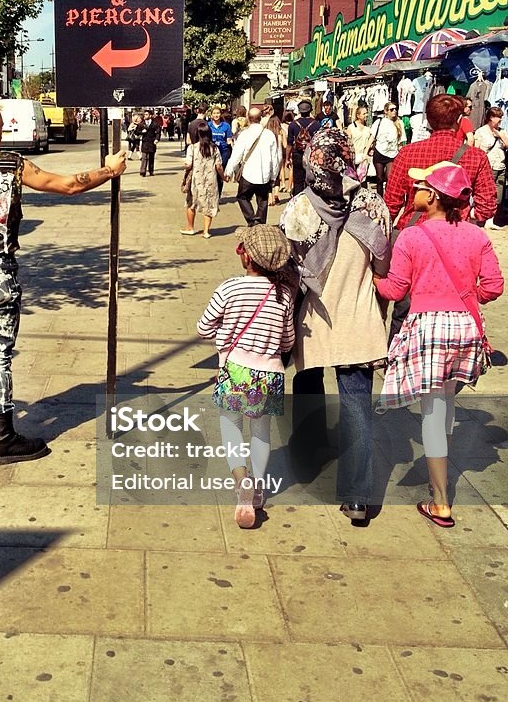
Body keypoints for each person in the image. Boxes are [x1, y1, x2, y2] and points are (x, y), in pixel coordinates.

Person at [0, 95, 127, 463]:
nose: (2, 134)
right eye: (1, 128)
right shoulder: (11, 165)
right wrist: (108, 170)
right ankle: (1, 436)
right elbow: (67, 184)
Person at [374, 162, 503, 528]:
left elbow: (396, 290)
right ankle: (440, 474)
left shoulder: (412, 237)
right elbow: (493, 287)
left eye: (419, 188)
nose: (412, 192)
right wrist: (463, 296)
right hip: (464, 326)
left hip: (430, 327)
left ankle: (441, 501)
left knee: (432, 413)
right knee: (444, 403)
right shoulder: (477, 236)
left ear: (432, 197)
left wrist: (373, 281)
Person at [280, 127, 391, 522]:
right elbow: (383, 268)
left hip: (314, 320)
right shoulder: (373, 206)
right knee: (357, 403)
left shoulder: (298, 210)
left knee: (307, 381)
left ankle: (308, 454)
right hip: (359, 320)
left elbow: (286, 270)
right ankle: (359, 497)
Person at [197, 225, 295, 529]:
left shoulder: (230, 288)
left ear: (246, 257)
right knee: (262, 432)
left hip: (235, 369)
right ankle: (258, 486)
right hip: (270, 372)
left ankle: (242, 482)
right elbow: (287, 340)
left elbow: (203, 328)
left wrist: (223, 336)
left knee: (230, 426)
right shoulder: (285, 294)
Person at [383, 94, 497, 341]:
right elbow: (488, 206)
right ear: (458, 120)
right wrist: (468, 218)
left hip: (411, 237)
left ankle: (398, 355)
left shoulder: (407, 154)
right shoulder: (475, 157)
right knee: (451, 301)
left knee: (404, 306)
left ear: (428, 120)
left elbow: (391, 203)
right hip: (457, 240)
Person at [224, 107, 282, 226]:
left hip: (248, 173)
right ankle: (260, 223)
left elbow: (236, 155)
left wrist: (228, 171)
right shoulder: (269, 135)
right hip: (265, 174)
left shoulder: (244, 134)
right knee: (263, 201)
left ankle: (252, 220)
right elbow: (275, 158)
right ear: (260, 118)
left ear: (248, 119)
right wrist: (274, 176)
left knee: (242, 197)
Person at [180, 121, 224, 238]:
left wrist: (184, 166)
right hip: (211, 180)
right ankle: (206, 231)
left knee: (191, 203)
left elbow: (188, 165)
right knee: (209, 204)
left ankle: (190, 228)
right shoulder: (214, 148)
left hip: (196, 180)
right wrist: (224, 177)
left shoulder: (192, 148)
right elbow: (219, 166)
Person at [473, 106, 508, 229]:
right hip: (487, 166)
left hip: (500, 166)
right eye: (498, 117)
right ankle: (478, 218)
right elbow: (476, 150)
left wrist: (500, 135)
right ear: (491, 117)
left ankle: (490, 221)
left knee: (498, 195)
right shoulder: (481, 132)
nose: (500, 120)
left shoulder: (503, 131)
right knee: (484, 193)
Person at [369, 103, 405, 197]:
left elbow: (401, 141)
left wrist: (401, 154)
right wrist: (366, 151)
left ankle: (389, 197)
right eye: (391, 109)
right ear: (386, 111)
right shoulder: (379, 122)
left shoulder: (399, 123)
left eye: (395, 109)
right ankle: (380, 198)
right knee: (379, 178)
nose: (394, 111)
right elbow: (372, 137)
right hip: (380, 152)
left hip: (392, 154)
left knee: (390, 178)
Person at [286, 100, 320, 196]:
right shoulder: (317, 124)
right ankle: (310, 198)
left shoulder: (292, 125)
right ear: (310, 110)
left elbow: (289, 144)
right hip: (311, 155)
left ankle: (298, 198)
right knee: (311, 180)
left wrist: (288, 158)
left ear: (299, 111)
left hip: (297, 154)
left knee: (298, 181)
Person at [208, 106, 234, 194]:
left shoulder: (226, 126)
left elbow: (229, 140)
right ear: (211, 115)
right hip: (211, 152)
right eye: (214, 113)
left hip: (223, 151)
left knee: (220, 173)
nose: (216, 115)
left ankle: (218, 194)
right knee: (211, 173)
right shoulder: (208, 125)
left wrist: (233, 148)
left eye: (218, 113)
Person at [345, 103, 373, 183]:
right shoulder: (351, 127)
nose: (366, 115)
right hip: (353, 157)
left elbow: (370, 142)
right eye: (364, 113)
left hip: (364, 157)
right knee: (352, 180)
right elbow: (347, 142)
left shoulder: (368, 129)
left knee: (362, 180)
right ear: (358, 115)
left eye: (366, 113)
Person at [135, 109, 160, 176]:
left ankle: (151, 171)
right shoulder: (141, 124)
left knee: (151, 157)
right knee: (144, 157)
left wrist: (157, 139)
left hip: (152, 142)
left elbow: (158, 132)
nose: (145, 116)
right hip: (145, 142)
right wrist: (141, 132)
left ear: (150, 115)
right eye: (144, 115)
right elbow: (136, 132)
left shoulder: (155, 123)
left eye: (146, 114)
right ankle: (143, 171)